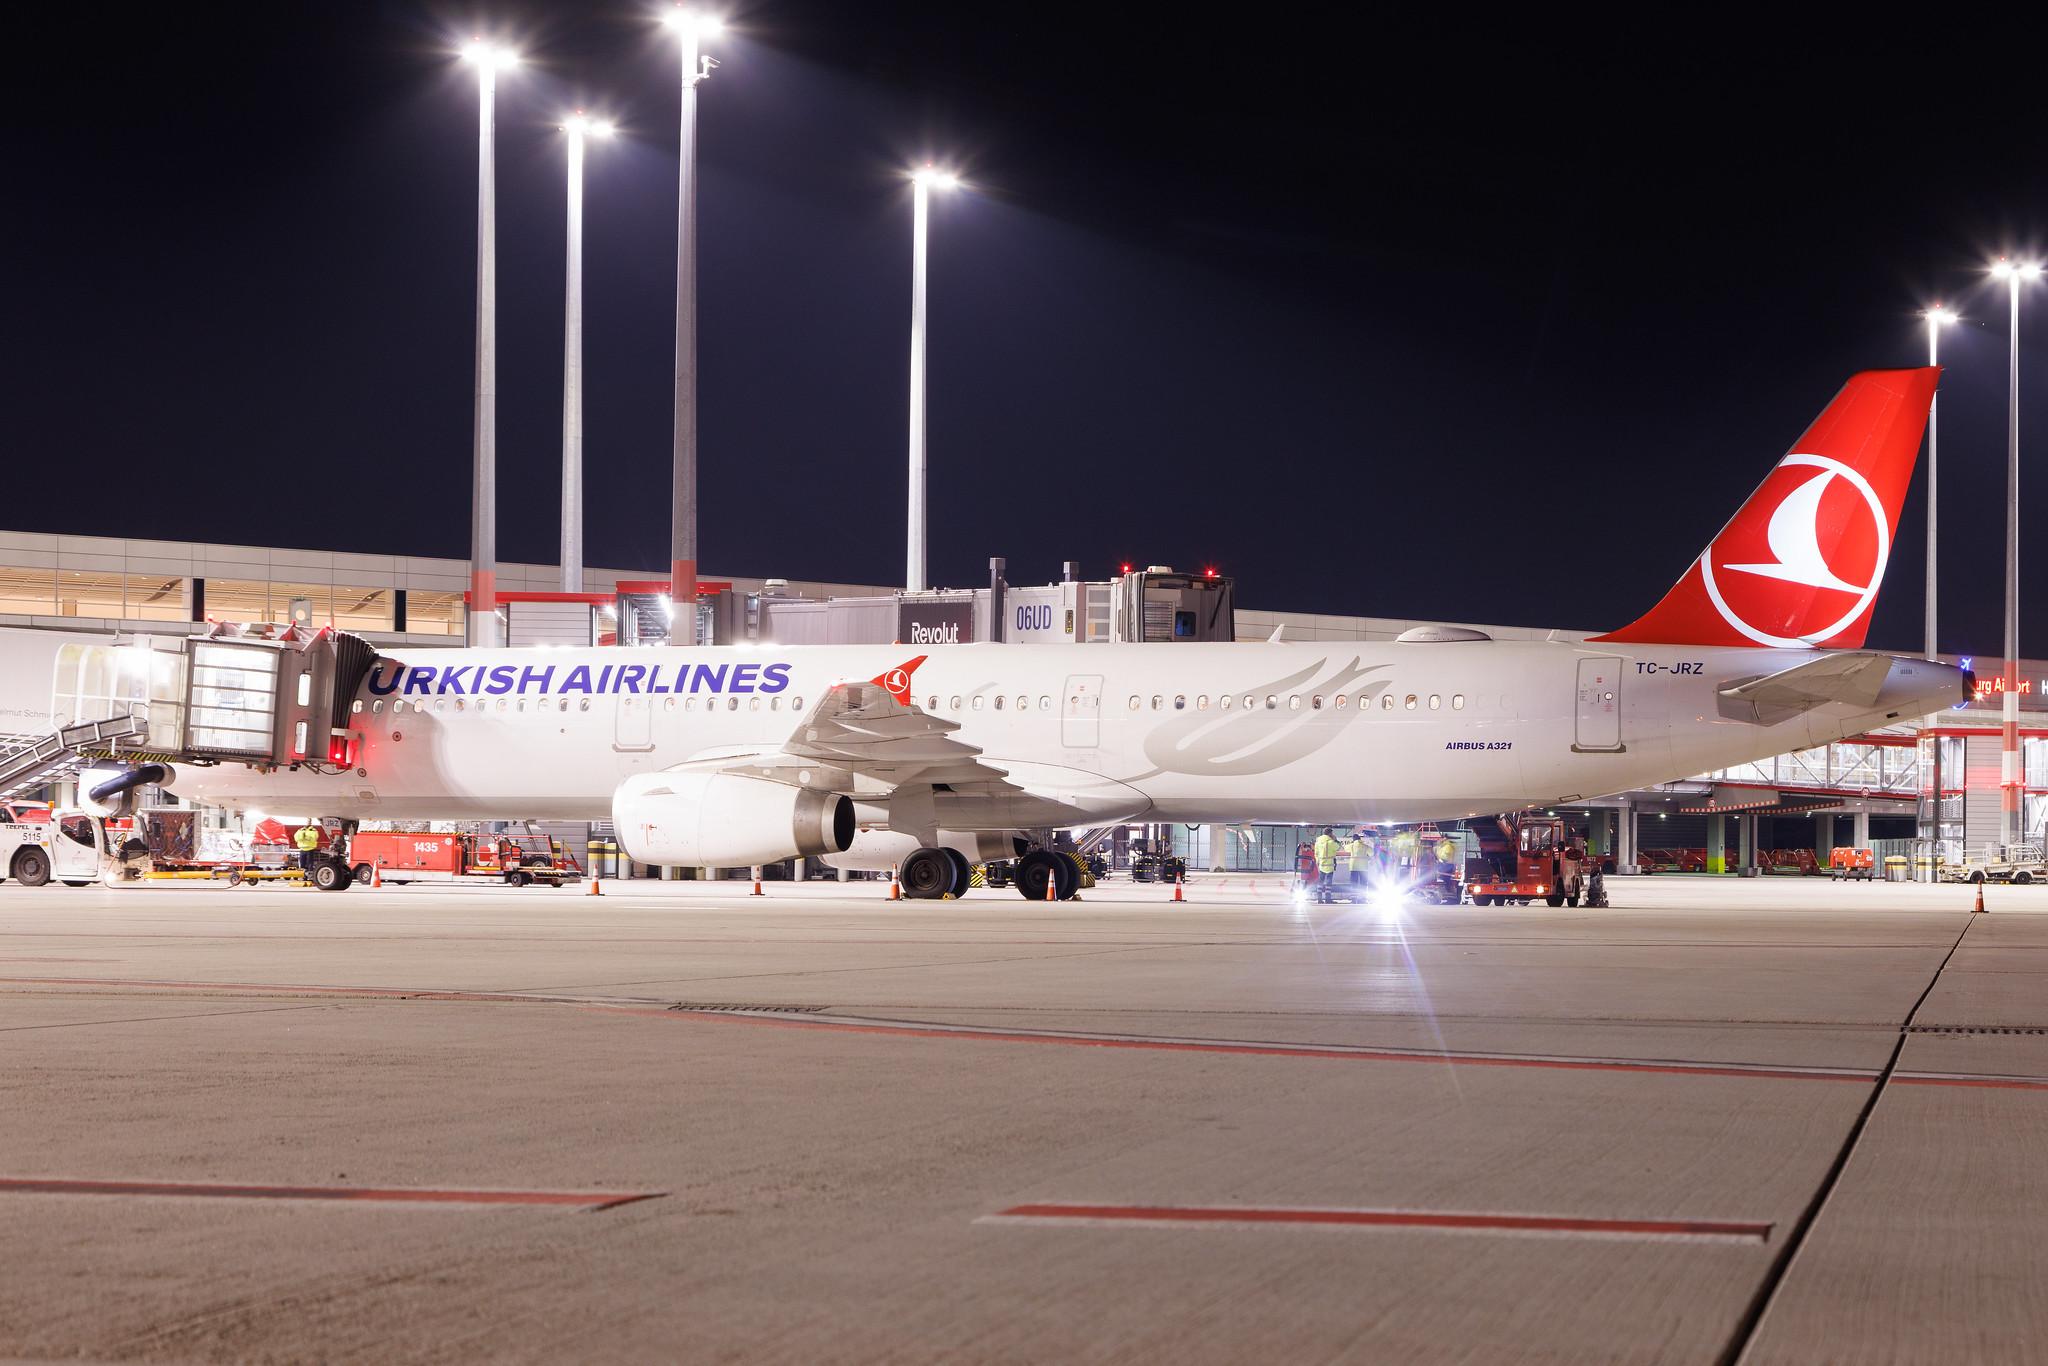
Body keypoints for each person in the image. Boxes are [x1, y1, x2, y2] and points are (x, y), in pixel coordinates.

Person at [1312, 828, 1341, 901]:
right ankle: (1328, 899)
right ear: (1330, 833)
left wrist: (1318, 861)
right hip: (1329, 865)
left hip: (1321, 864)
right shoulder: (1331, 842)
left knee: (1320, 882)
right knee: (1328, 883)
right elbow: (1338, 847)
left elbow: (1316, 853)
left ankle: (1319, 898)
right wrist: (1335, 840)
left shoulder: (1318, 842)